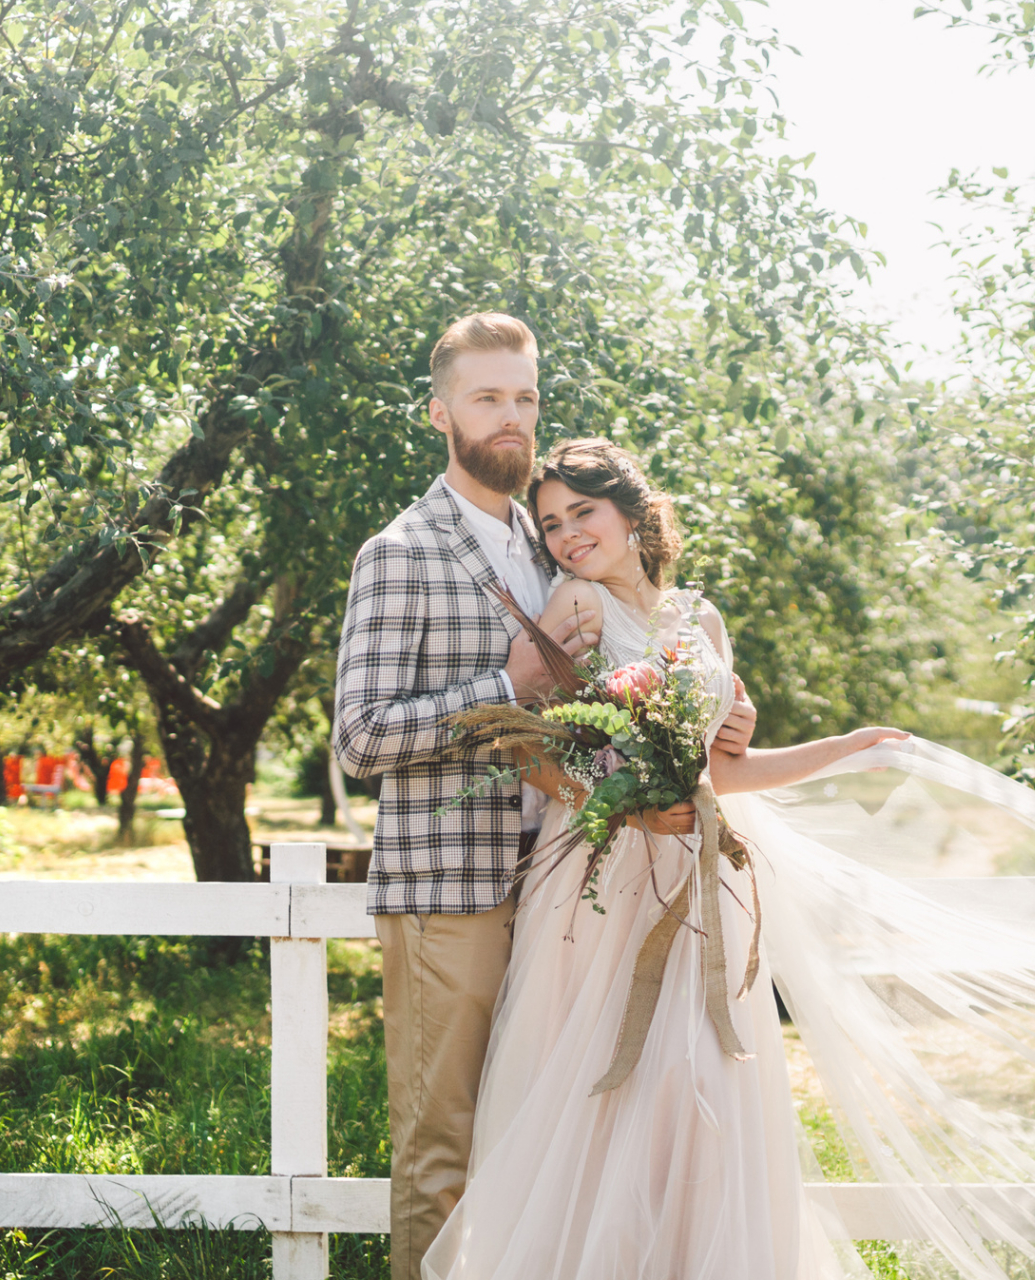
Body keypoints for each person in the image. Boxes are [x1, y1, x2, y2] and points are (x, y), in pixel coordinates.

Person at [330, 314, 759, 1280]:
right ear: (442, 413)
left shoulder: (554, 538)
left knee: (555, 1146)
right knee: (446, 1151)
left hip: (574, 898)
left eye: (525, 396)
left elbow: (640, 664)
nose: (512, 417)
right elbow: (358, 737)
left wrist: (720, 709)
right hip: (455, 896)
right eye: (488, 397)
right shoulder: (399, 552)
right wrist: (504, 690)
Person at [420, 438, 908, 1280]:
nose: (569, 536)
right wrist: (629, 808)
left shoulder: (701, 620)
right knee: (606, 1094)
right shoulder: (571, 605)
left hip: (699, 882)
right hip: (605, 878)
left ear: (634, 513)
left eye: (584, 513)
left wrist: (846, 746)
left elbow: (724, 771)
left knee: (699, 1094)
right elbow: (525, 750)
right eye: (552, 524)